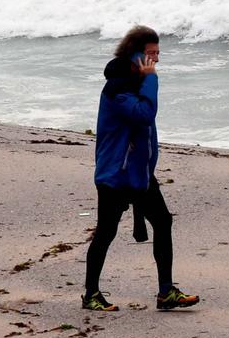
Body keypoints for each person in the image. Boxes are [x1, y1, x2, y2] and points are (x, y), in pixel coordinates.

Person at [82, 25, 199, 313]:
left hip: (140, 175)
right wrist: (151, 81)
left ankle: (165, 292)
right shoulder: (118, 87)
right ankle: (91, 295)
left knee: (163, 222)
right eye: (150, 54)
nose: (155, 60)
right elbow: (144, 116)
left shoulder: (135, 82)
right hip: (116, 175)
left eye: (158, 54)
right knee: (106, 233)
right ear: (134, 54)